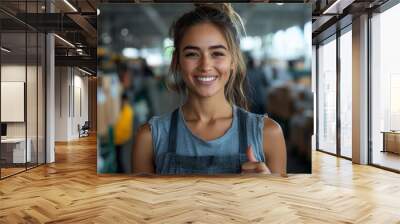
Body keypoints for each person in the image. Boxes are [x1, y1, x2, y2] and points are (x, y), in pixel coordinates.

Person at [133, 3, 286, 175]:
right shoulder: (149, 138)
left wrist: (265, 191)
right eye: (192, 54)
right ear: (176, 61)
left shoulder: (269, 134)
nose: (205, 66)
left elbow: (279, 202)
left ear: (233, 60)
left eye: (217, 53)